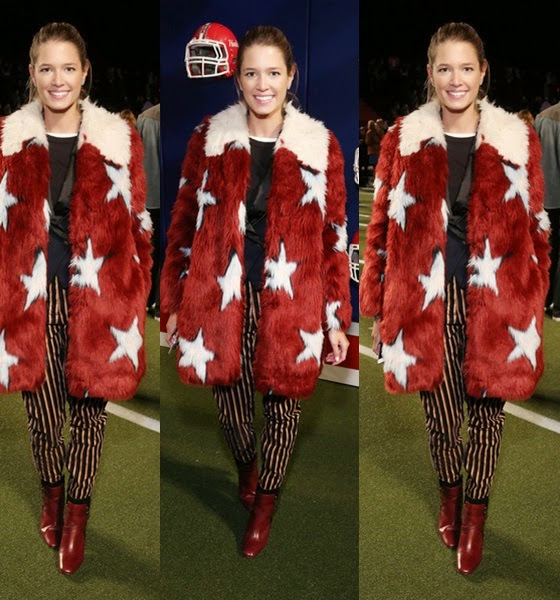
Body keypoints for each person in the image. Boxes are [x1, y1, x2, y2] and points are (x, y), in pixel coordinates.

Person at [0, 22, 152, 575]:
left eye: (69, 67)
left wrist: (134, 298)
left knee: (90, 415)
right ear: (32, 73)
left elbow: (139, 224)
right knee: (43, 416)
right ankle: (51, 494)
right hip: (28, 300)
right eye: (47, 68)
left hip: (101, 300)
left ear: (86, 72)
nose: (58, 78)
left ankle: (77, 515)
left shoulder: (119, 138)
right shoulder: (4, 139)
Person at [360, 22, 549, 575]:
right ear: (429, 73)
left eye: (467, 67)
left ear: (483, 72)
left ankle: (475, 515)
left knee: (489, 415)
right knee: (441, 416)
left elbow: (538, 226)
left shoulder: (517, 138)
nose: (456, 79)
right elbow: (380, 229)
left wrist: (532, 297)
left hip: (500, 300)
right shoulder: (403, 138)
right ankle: (450, 494)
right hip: (427, 299)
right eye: (445, 68)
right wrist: (380, 305)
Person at [160, 24, 351, 558]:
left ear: (292, 77)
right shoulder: (209, 138)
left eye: (273, 73)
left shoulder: (320, 145)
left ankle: (266, 502)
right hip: (222, 297)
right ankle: (248, 465)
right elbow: (182, 223)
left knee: (286, 408)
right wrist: (173, 302)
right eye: (251, 73)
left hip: (294, 300)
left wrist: (336, 316)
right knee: (232, 410)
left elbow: (334, 235)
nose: (262, 84)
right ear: (237, 79)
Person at [534, 100, 560, 322]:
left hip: (544, 195)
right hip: (555, 195)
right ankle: (558, 306)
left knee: (547, 249)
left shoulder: (542, 117)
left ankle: (542, 299)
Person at [136, 103, 161, 318]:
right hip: (162, 195)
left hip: (148, 195)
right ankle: (158, 304)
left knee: (147, 250)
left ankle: (146, 300)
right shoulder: (147, 118)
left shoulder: (144, 118)